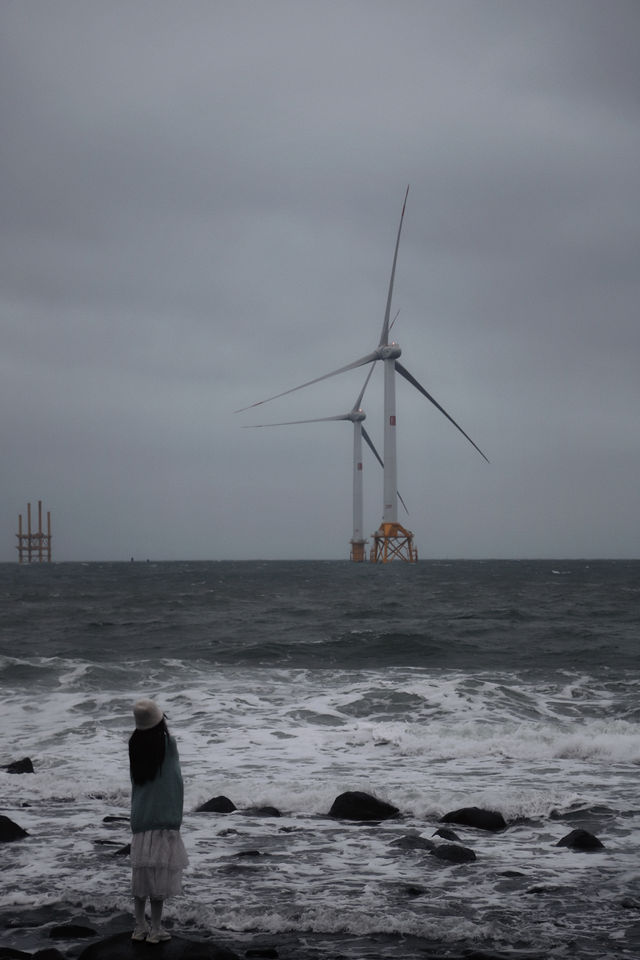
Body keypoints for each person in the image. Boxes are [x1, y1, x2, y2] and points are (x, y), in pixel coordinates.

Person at [128, 699, 189, 943]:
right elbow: (175, 778)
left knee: (140, 876)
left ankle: (139, 926)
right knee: (159, 877)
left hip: (141, 818)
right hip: (163, 819)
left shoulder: (134, 745)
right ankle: (155, 929)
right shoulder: (168, 743)